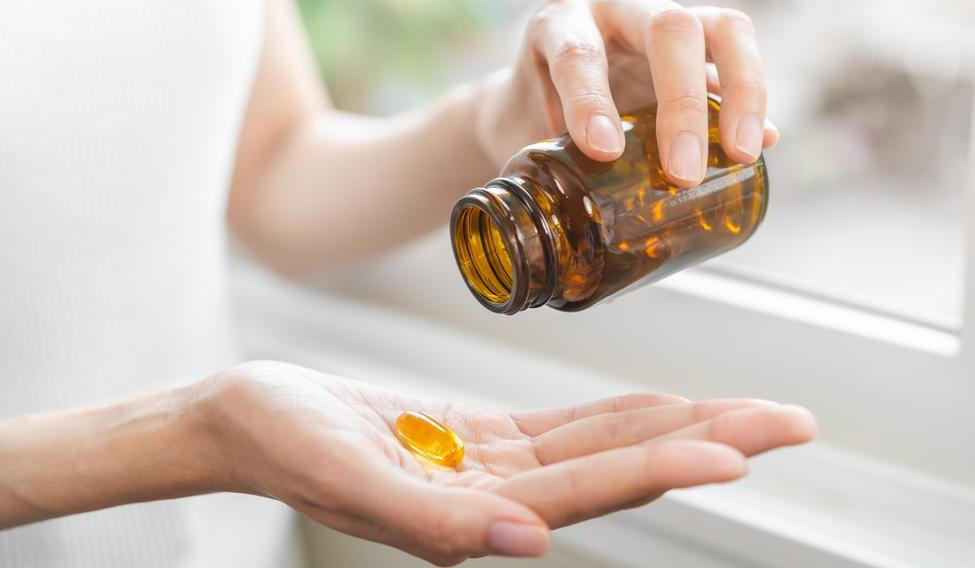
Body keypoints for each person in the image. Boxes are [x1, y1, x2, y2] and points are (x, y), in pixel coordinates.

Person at [0, 0, 811, 566]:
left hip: (230, 548)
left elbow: (272, 171)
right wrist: (186, 434)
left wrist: (495, 118)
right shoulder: (204, 432)